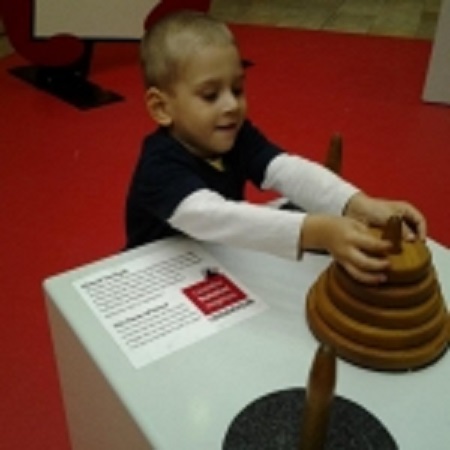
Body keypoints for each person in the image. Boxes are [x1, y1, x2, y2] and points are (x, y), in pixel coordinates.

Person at [125, 9, 426, 285]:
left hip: (215, 260)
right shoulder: (158, 165)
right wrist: (316, 231)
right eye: (210, 95)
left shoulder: (236, 134)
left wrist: (359, 204)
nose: (232, 105)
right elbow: (211, 216)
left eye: (237, 89)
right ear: (161, 107)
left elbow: (285, 169)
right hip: (155, 278)